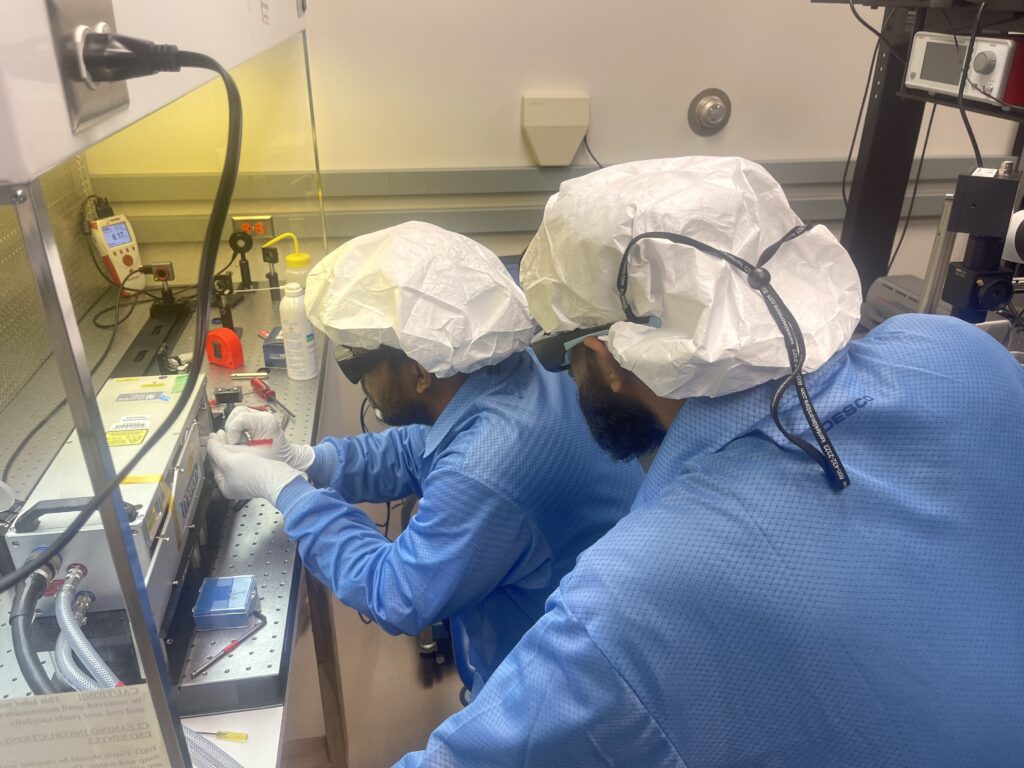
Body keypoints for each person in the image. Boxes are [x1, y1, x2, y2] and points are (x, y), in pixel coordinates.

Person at [394, 157, 1024, 766]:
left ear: (611, 360)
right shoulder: (959, 354)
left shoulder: (631, 598)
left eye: (566, 355)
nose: (568, 376)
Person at [206, 221, 643, 692]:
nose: (361, 384)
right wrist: (303, 459)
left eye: (358, 366)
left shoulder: (489, 464)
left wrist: (283, 490)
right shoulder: (506, 370)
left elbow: (395, 593)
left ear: (418, 371)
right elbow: (412, 450)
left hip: (554, 680)